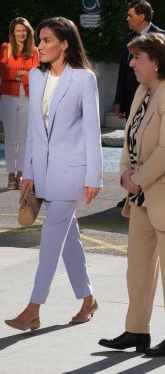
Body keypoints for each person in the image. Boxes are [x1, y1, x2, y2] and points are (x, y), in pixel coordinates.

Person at [4, 17, 103, 332]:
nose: (40, 46)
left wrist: (94, 178)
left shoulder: (84, 79)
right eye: (40, 40)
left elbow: (92, 132)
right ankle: (88, 298)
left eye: (47, 40)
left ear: (65, 44)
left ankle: (33, 308)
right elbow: (34, 130)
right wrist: (29, 171)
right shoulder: (35, 75)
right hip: (43, 172)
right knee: (68, 237)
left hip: (73, 173)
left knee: (50, 236)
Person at [99, 32, 165, 357]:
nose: (131, 64)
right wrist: (126, 173)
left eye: (137, 58)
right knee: (137, 268)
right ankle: (137, 331)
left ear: (156, 61)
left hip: (160, 194)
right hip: (140, 198)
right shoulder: (142, 90)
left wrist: (138, 177)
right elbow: (130, 139)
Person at [114, 0, 164, 208]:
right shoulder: (129, 39)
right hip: (136, 98)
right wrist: (119, 100)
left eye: (130, 15)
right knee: (134, 139)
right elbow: (123, 72)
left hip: (157, 197)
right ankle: (130, 192)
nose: (127, 19)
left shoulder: (161, 38)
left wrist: (137, 180)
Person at [0, 17, 39, 190]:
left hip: (28, 98)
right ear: (13, 33)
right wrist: (25, 73)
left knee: (23, 139)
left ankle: (20, 173)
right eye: (18, 30)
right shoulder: (5, 48)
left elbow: (37, 72)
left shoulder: (35, 51)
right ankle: (10, 174)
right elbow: (4, 72)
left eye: (24, 30)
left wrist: (18, 73)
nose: (21, 33)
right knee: (10, 138)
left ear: (28, 32)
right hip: (8, 97)